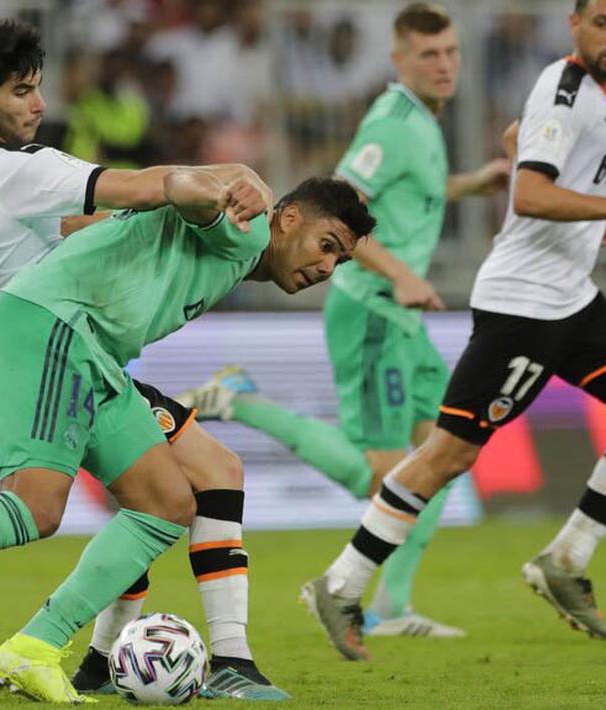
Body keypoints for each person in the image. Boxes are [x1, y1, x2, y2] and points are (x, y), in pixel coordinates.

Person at [0, 21, 376, 702]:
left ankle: (40, 647)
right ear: (287, 220)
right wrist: (232, 180)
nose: (325, 267)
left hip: (76, 343)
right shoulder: (237, 228)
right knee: (33, 509)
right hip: (51, 329)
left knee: (168, 502)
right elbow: (169, 189)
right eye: (326, 245)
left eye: (339, 259)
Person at [0, 19, 287, 700]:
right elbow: (139, 186)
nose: (38, 105)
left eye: (38, 88)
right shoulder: (20, 168)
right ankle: (162, 656)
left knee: (169, 490)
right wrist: (236, 175)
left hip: (46, 347)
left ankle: (104, 661)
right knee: (94, 505)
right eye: (22, 91)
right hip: (56, 350)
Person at [302, 0, 606, 661]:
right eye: (602, 23)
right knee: (447, 455)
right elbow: (533, 194)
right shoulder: (565, 86)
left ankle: (564, 559)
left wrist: (542, 179)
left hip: (572, 299)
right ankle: (339, 584)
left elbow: (524, 146)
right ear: (575, 26)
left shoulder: (595, 96)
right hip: (522, 309)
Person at [182, 3, 509, 639]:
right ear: (399, 60)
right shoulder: (392, 121)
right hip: (374, 315)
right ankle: (243, 402)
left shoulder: (421, 123)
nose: (444, 66)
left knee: (445, 458)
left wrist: (474, 184)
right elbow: (343, 204)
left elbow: (410, 192)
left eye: (450, 53)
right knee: (385, 479)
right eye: (428, 56)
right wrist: (400, 274)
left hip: (403, 325)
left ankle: (390, 606)